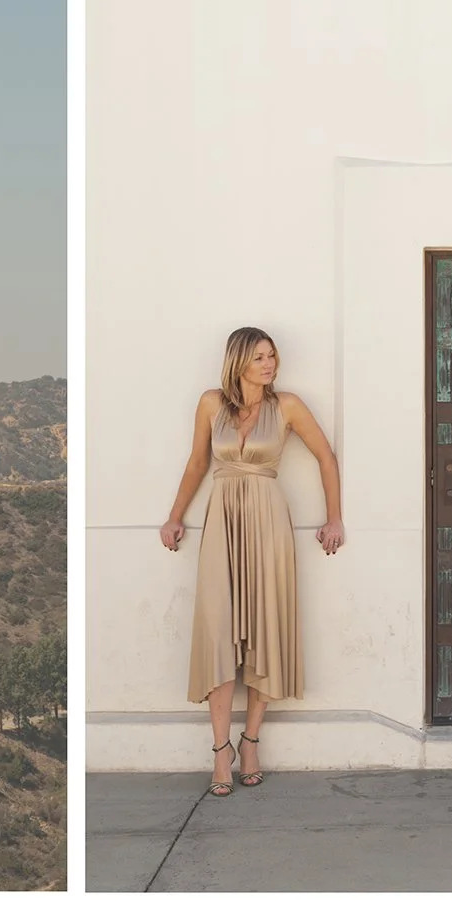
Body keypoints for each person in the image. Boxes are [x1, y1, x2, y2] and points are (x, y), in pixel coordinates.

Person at [157, 327, 344, 797]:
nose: (269, 364)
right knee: (218, 631)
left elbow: (325, 455)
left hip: (267, 523)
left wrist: (333, 519)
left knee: (265, 630)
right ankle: (220, 750)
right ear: (238, 360)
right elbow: (197, 462)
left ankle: (252, 741)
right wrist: (174, 517)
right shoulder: (209, 404)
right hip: (222, 522)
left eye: (272, 356)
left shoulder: (289, 407)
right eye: (260, 356)